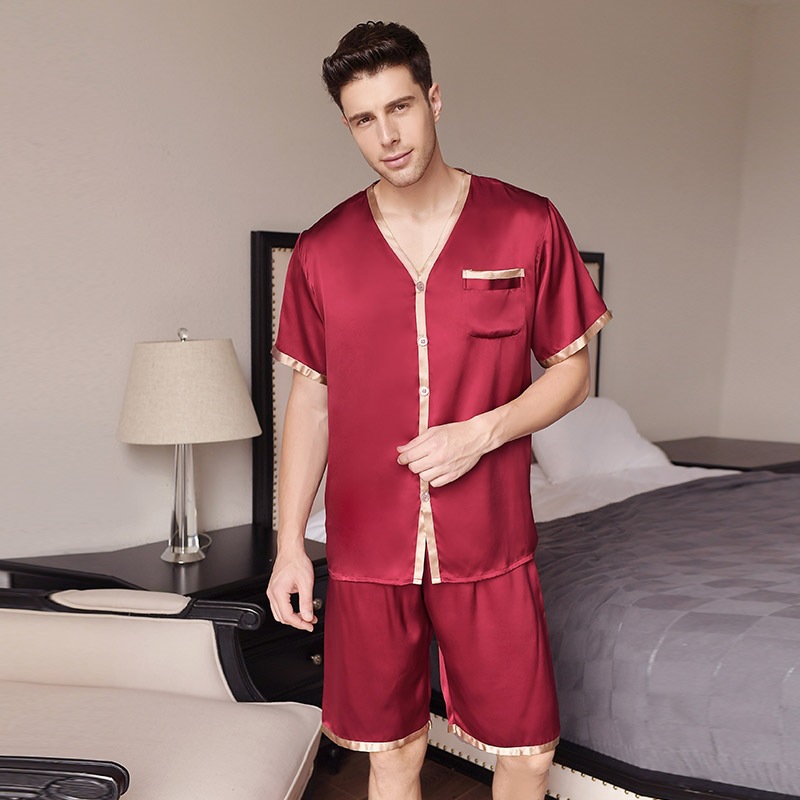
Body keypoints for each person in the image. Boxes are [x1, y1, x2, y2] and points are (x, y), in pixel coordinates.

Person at [267, 21, 611, 800]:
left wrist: (481, 433)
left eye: (400, 108)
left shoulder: (527, 223)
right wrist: (289, 547)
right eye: (363, 119)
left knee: (527, 752)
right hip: (366, 549)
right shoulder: (321, 251)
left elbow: (573, 374)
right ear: (348, 126)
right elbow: (312, 402)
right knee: (391, 754)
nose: (387, 137)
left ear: (434, 100)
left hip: (491, 538)